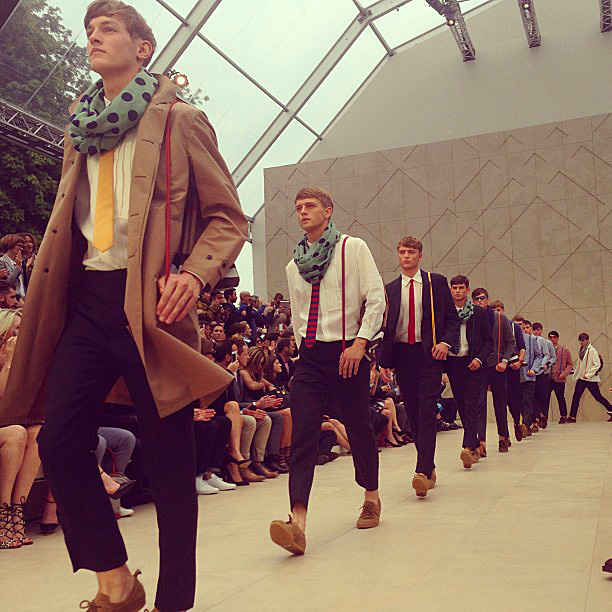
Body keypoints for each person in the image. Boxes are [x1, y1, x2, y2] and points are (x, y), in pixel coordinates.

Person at [0, 2, 248, 610]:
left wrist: (195, 273)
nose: (93, 37)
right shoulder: (79, 129)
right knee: (59, 440)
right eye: (89, 30)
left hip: (152, 306)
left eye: (107, 28)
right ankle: (114, 578)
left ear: (143, 48)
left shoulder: (181, 121)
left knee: (169, 460)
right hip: (85, 300)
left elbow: (228, 218)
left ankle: (173, 600)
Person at [270, 186, 385, 556]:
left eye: (310, 206)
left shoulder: (353, 248)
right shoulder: (294, 265)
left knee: (359, 426)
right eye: (298, 207)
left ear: (328, 211)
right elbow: (298, 315)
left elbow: (376, 298)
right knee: (303, 431)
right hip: (311, 358)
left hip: (348, 351)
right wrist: (303, 347)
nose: (303, 212)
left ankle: (371, 496)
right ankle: (298, 523)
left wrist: (360, 344)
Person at [379, 236, 460, 497]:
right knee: (413, 412)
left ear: (420, 256)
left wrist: (445, 343)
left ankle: (422, 470)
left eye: (411, 252)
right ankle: (429, 465)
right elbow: (384, 327)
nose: (406, 256)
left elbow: (452, 319)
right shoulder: (390, 289)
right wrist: (382, 361)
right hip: (402, 355)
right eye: (402, 252)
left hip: (429, 354)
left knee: (426, 408)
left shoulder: (436, 282)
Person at [446, 276, 492, 468]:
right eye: (454, 288)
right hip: (453, 363)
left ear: (467, 289)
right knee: (461, 403)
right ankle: (474, 444)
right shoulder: (446, 311)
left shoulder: (479, 313)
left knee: (471, 403)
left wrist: (479, 359)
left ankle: (467, 446)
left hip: (474, 364)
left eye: (461, 287)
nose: (457, 291)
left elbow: (489, 341)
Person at [471, 288, 515, 455]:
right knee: (479, 404)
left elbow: (510, 342)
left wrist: (504, 360)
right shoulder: (472, 318)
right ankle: (481, 442)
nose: (480, 301)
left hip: (498, 366)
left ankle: (503, 436)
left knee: (500, 403)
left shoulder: (500, 318)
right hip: (480, 366)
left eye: (482, 298)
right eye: (476, 299)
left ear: (488, 300)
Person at [568, 333, 612, 422]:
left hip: (590, 379)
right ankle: (572, 416)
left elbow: (597, 364)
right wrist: (576, 373)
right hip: (582, 378)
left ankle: (611, 409)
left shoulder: (592, 350)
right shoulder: (581, 350)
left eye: (583, 340)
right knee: (576, 396)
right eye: (580, 340)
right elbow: (581, 365)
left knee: (598, 397)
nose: (581, 342)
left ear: (587, 340)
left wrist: (588, 374)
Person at [518, 319, 544, 435]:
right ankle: (529, 421)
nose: (519, 327)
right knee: (517, 401)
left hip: (528, 375)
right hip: (514, 376)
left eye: (520, 324)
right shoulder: (509, 339)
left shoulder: (530, 339)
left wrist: (534, 369)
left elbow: (538, 356)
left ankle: (526, 424)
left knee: (527, 400)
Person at [531, 322, 556, 428]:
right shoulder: (530, 341)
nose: (536, 332)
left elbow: (553, 357)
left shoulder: (547, 343)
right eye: (534, 330)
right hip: (533, 372)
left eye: (538, 330)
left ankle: (543, 416)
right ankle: (537, 416)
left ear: (541, 330)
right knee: (533, 395)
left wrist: (547, 364)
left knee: (543, 395)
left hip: (544, 372)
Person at [547, 331, 572, 423]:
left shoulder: (564, 350)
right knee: (546, 397)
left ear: (557, 338)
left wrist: (564, 374)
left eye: (554, 337)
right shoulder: (546, 349)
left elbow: (569, 364)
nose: (552, 339)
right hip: (548, 378)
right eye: (550, 338)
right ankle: (544, 417)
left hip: (559, 378)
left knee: (560, 397)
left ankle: (563, 415)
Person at [0, 235, 25, 299]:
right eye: (19, 246)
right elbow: (7, 283)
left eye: (22, 246)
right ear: (10, 245)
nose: (21, 249)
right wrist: (17, 267)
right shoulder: (1, 261)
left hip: (23, 297)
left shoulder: (20, 261)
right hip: (11, 299)